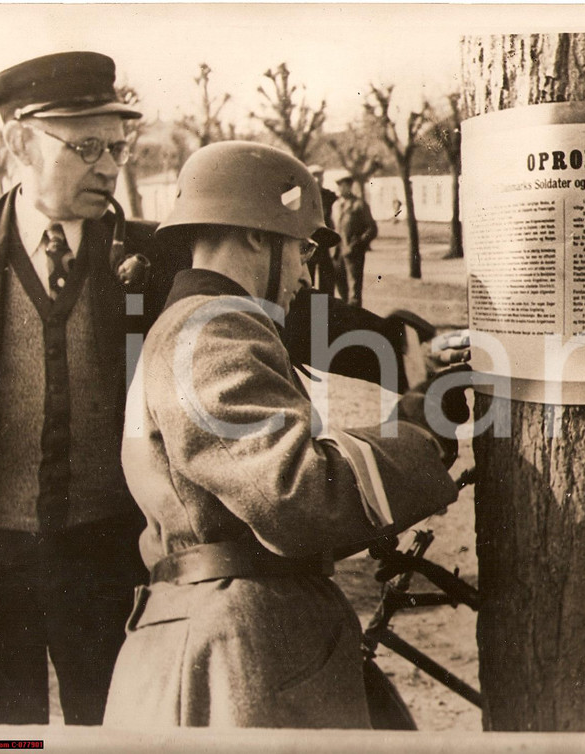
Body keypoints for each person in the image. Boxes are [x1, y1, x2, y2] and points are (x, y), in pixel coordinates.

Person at [103, 142, 466, 728]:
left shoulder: (196, 321)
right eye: (301, 248)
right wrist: (424, 427)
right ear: (254, 236)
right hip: (242, 650)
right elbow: (298, 494)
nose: (303, 270)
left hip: (227, 630)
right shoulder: (214, 330)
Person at [0, 51, 175, 724]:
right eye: (86, 147)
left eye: (117, 147)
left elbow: (260, 310)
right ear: (16, 144)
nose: (111, 167)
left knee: (112, 724)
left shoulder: (148, 255)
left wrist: (405, 345)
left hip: (106, 556)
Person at [332, 171, 378, 307]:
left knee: (354, 290)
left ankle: (355, 318)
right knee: (341, 287)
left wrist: (357, 244)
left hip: (353, 253)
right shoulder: (336, 205)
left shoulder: (359, 205)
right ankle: (348, 316)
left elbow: (372, 229)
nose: (339, 188)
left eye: (342, 185)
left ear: (349, 186)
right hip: (337, 252)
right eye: (338, 185)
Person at [305, 164, 338, 295]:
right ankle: (310, 313)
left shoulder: (330, 196)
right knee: (309, 279)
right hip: (309, 242)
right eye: (314, 176)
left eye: (320, 176)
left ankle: (321, 313)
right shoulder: (303, 196)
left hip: (325, 243)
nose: (318, 179)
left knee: (326, 281)